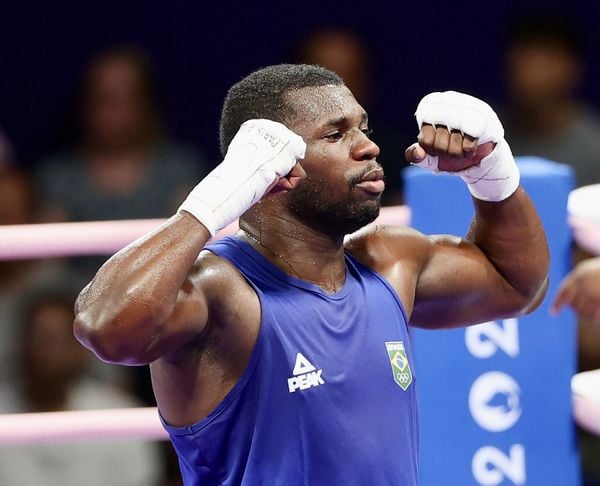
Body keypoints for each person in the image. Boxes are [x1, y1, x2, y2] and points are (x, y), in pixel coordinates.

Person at [74, 64, 549, 485]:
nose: (368, 146)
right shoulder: (222, 290)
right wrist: (211, 202)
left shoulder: (389, 263)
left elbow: (516, 284)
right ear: (271, 167)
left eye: (362, 126)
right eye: (336, 134)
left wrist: (491, 174)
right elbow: (105, 329)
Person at [0, 289, 161, 486]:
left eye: (57, 340)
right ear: (21, 344)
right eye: (40, 338)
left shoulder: (119, 414)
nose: (48, 352)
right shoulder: (3, 413)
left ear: (80, 348)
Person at [501, 12, 600, 187]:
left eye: (545, 59)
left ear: (572, 68)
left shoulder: (594, 149)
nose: (530, 70)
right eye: (523, 56)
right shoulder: (487, 140)